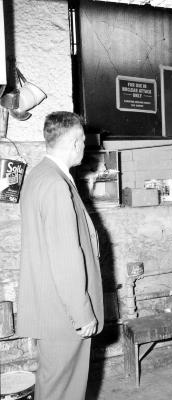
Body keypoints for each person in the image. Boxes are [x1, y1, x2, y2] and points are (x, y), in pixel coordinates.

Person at [17, 111, 104, 400]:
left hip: (50, 304)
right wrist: (82, 313)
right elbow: (66, 256)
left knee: (53, 384)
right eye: (82, 140)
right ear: (74, 141)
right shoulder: (56, 184)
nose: (84, 146)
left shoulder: (40, 174)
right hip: (63, 311)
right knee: (63, 390)